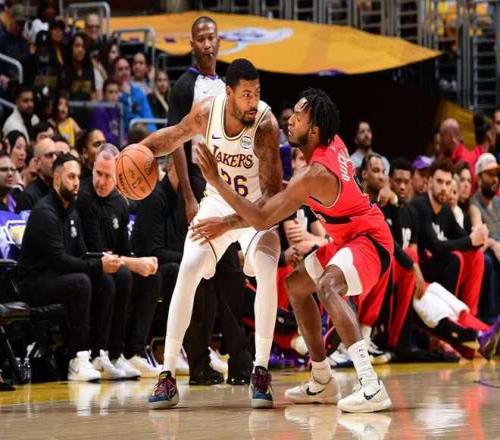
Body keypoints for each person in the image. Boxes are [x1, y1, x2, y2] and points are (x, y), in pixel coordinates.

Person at [194, 87, 393, 413]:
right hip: (348, 239)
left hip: (370, 240)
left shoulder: (315, 174)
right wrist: (229, 222)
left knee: (328, 287)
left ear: (314, 129)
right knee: (297, 286)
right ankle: (322, 378)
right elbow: (280, 199)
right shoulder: (330, 144)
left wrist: (217, 182)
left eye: (298, 117)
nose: (290, 120)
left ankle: (371, 385)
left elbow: (262, 217)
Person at [142, 58, 282, 409]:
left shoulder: (265, 125)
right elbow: (173, 136)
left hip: (254, 211)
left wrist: (230, 224)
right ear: (228, 93)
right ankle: (167, 374)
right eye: (246, 94)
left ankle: (260, 370)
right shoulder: (207, 112)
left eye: (257, 93)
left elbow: (271, 199)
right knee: (189, 268)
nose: (253, 101)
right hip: (216, 203)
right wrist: (140, 150)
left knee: (267, 267)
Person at [162, 16, 253, 386]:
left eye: (211, 37)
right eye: (200, 38)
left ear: (219, 41)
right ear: (192, 44)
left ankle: (239, 362)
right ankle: (200, 363)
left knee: (231, 278)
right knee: (199, 280)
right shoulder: (184, 86)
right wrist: (187, 196)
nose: (206, 43)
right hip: (199, 188)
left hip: (227, 189)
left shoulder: (229, 84)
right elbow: (175, 142)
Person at [16, 153, 122, 381]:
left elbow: (81, 253)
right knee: (81, 282)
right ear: (57, 179)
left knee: (105, 281)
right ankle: (77, 358)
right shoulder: (45, 213)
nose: (76, 183)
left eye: (78, 177)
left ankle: (99, 354)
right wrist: (97, 265)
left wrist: (101, 262)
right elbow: (60, 261)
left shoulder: (72, 210)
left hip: (56, 278)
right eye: (70, 177)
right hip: (34, 283)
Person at [77, 144, 161, 378]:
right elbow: (97, 252)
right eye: (98, 173)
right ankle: (104, 353)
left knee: (152, 277)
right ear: (92, 168)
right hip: (89, 265)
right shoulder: (84, 199)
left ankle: (133, 352)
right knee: (122, 275)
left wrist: (139, 262)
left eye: (108, 176)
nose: (101, 181)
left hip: (113, 265)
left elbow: (124, 248)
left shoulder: (120, 203)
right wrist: (134, 264)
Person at [411, 159, 487, 316]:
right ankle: (449, 316)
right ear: (430, 182)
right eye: (439, 182)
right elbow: (435, 247)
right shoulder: (420, 205)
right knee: (455, 257)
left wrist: (480, 236)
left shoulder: (445, 210)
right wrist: (470, 240)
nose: (444, 188)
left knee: (477, 257)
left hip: (439, 267)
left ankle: (470, 315)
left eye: (447, 183)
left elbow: (466, 239)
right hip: (420, 272)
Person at [111, 56, 155, 135]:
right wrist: (125, 96)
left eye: (127, 68)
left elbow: (149, 119)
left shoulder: (138, 92)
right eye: (120, 69)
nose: (124, 72)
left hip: (142, 136)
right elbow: (124, 121)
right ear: (113, 74)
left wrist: (152, 136)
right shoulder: (111, 93)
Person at [14, 137, 57, 211]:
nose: (55, 159)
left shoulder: (60, 191)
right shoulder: (28, 196)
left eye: (57, 155)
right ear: (37, 163)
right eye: (49, 155)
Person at [89, 78, 121, 146]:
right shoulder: (99, 111)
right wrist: (120, 139)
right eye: (110, 92)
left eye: (116, 92)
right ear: (103, 94)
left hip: (115, 146)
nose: (114, 95)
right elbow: (104, 138)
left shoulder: (117, 109)